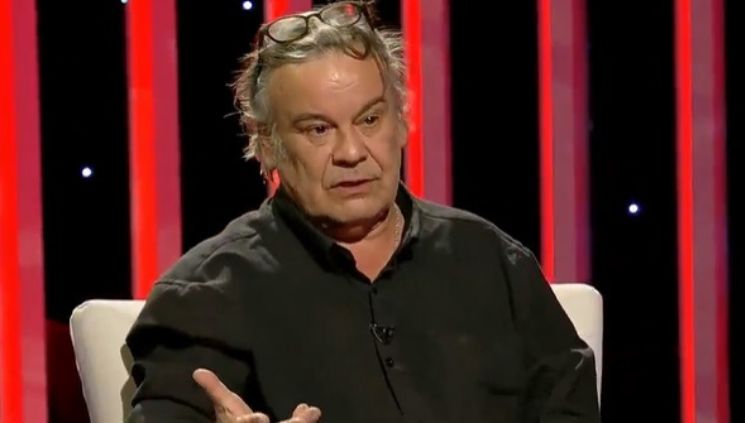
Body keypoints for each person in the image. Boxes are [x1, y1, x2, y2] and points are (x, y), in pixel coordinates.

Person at [125, 1, 601, 422]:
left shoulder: (492, 261)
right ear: (266, 144)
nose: (352, 152)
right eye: (318, 129)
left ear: (402, 122)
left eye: (370, 119)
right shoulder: (205, 298)